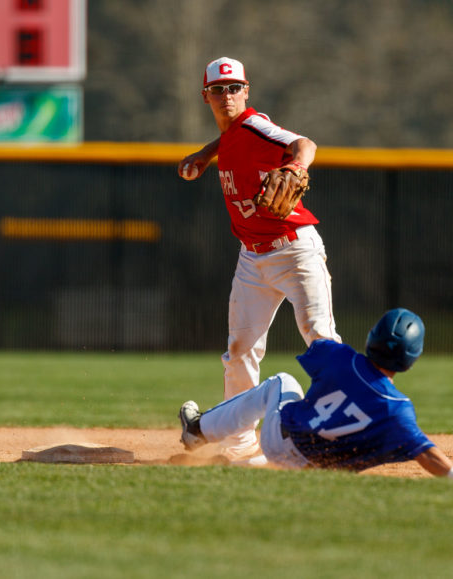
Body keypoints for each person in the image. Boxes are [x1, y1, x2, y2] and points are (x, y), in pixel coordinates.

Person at [178, 57, 340, 463]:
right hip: (252, 258)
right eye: (218, 90)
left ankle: (342, 432)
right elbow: (231, 137)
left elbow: (305, 144)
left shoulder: (254, 125)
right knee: (240, 351)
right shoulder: (233, 133)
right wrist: (205, 153)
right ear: (206, 97)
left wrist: (296, 165)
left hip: (294, 249)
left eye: (234, 88)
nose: (227, 96)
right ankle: (242, 448)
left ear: (246, 91)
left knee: (321, 340)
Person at [178, 308, 453, 480]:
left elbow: (317, 349)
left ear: (372, 337)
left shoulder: (342, 358)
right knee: (326, 443)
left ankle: (198, 429)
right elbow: (429, 455)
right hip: (319, 471)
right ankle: (234, 464)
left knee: (281, 381)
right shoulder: (397, 410)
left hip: (278, 441)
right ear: (412, 359)